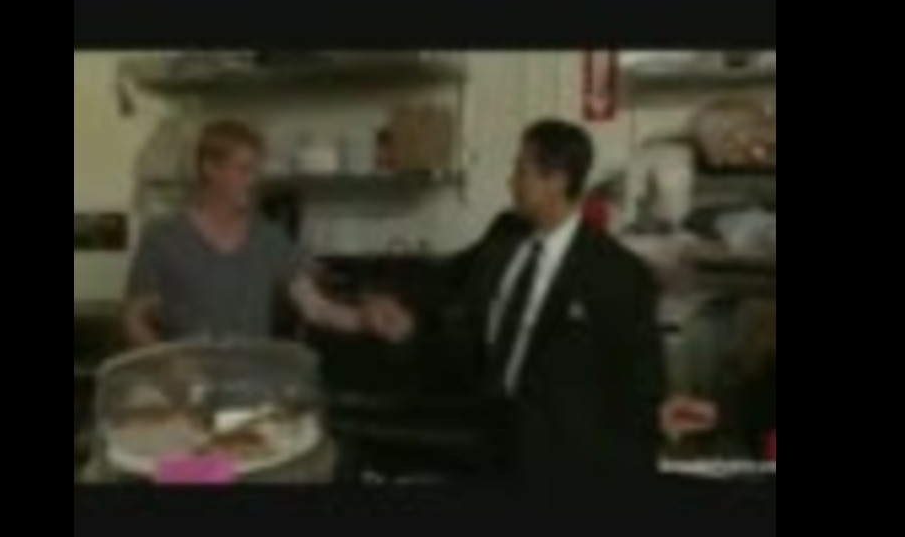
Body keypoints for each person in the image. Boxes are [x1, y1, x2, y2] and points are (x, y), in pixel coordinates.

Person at [373, 119, 666, 483]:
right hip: (485, 440)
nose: (510, 180)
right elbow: (446, 276)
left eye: (521, 170)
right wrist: (390, 296)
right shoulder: (505, 232)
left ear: (556, 180)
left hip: (561, 461)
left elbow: (641, 382)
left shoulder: (618, 274)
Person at [122, 120, 396, 346]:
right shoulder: (163, 237)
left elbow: (316, 308)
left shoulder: (268, 237)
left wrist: (364, 319)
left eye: (256, 171)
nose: (253, 181)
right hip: (187, 389)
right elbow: (133, 318)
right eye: (243, 170)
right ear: (210, 168)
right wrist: (167, 364)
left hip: (252, 384)